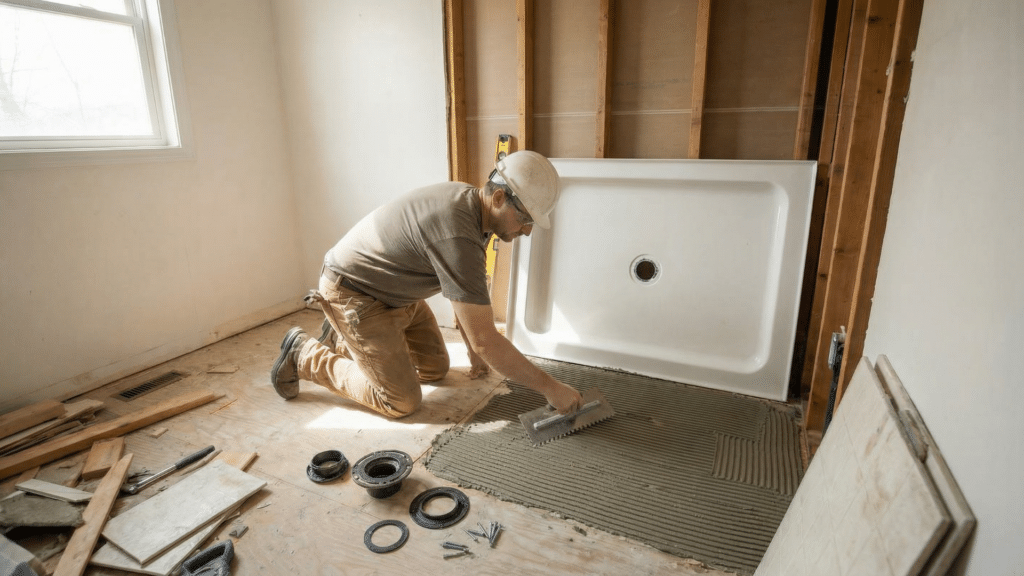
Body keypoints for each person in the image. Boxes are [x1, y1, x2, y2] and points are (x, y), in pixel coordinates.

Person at [270, 150, 583, 419]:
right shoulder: (457, 231)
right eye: (526, 220)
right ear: (499, 198)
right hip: (354, 294)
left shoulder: (472, 205)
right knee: (400, 401)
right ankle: (304, 353)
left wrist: (475, 350)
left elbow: (462, 290)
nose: (527, 232)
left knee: (435, 369)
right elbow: (486, 340)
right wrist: (550, 388)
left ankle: (344, 339)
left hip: (395, 294)